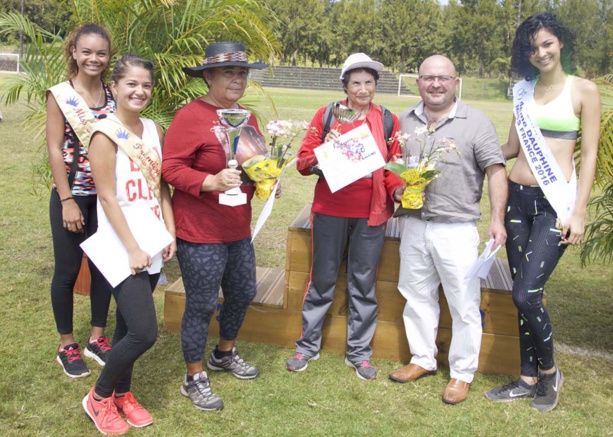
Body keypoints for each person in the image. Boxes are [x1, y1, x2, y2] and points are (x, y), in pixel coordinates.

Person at [486, 12, 600, 412]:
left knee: (526, 292)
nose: (541, 52)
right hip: (517, 197)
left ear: (561, 43)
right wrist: (469, 154)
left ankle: (549, 374)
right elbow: (512, 149)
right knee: (524, 294)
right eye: (533, 48)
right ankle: (526, 377)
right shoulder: (522, 91)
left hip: (556, 204)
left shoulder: (583, 90)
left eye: (547, 43)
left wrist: (580, 212)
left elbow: (588, 156)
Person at [388, 55, 508, 404]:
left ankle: (461, 374)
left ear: (455, 81)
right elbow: (393, 168)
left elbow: (496, 171)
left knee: (464, 304)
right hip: (413, 224)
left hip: (457, 228)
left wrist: (497, 218)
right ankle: (422, 359)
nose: (435, 84)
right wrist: (397, 189)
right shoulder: (405, 121)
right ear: (418, 82)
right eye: (428, 78)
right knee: (416, 295)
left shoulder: (476, 122)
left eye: (443, 78)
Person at [163, 42, 268, 411]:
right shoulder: (190, 116)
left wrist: (267, 179)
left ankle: (224, 353)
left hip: (237, 227)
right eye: (229, 72)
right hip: (200, 229)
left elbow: (255, 164)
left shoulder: (249, 118)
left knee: (242, 292)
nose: (238, 79)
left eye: (242, 72)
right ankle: (194, 377)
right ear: (208, 76)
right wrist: (209, 182)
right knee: (202, 303)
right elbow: (170, 167)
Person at [286, 53, 404, 380]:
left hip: (372, 214)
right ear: (345, 85)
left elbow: (394, 168)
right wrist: (324, 148)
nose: (363, 89)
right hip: (331, 210)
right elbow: (303, 162)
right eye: (356, 83)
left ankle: (359, 353)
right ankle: (307, 346)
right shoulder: (328, 115)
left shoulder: (388, 120)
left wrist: (398, 191)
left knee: (363, 282)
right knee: (321, 279)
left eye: (369, 83)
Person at [82, 54, 176, 435]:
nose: (140, 91)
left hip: (152, 239)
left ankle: (123, 393)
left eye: (146, 85)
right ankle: (99, 396)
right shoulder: (104, 133)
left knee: (125, 328)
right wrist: (133, 248)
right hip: (124, 245)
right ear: (115, 87)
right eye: (131, 84)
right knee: (144, 332)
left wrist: (169, 231)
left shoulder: (153, 129)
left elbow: (161, 186)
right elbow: (106, 199)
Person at [45, 23, 115, 378]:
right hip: (74, 193)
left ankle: (97, 337)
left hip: (106, 198)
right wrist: (67, 198)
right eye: (86, 51)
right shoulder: (60, 94)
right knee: (68, 270)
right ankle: (67, 344)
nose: (94, 58)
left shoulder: (114, 92)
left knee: (104, 266)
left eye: (100, 53)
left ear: (108, 56)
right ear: (73, 51)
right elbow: (55, 149)